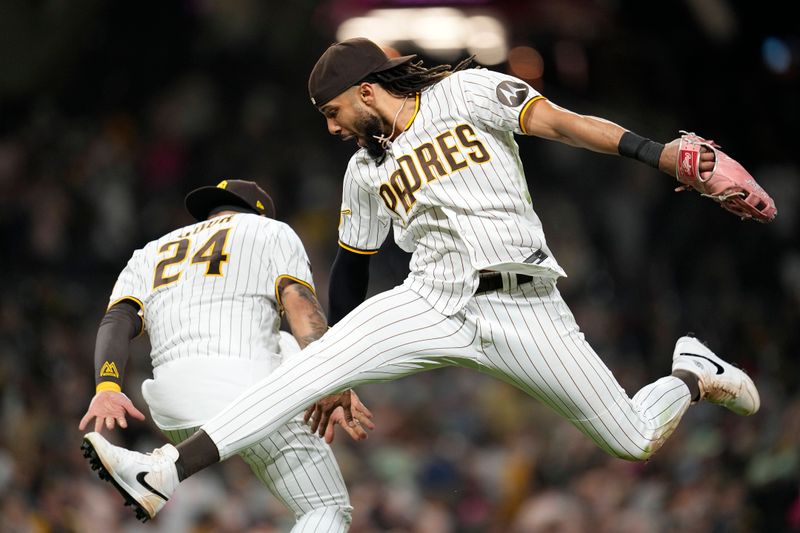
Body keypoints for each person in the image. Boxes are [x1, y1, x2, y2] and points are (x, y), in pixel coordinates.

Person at [82, 38, 762, 522]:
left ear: (366, 90)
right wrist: (336, 366)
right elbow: (351, 271)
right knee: (299, 373)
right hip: (433, 298)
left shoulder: (465, 90)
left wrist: (658, 154)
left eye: (333, 112)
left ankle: (693, 375)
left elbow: (562, 122)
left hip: (528, 306)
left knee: (632, 439)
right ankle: (163, 470)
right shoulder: (364, 169)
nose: (331, 128)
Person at [79, 179, 375, 529]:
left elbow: (118, 319)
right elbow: (298, 303)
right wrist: (330, 378)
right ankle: (160, 471)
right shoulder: (270, 231)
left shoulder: (150, 251)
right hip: (245, 391)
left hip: (171, 410)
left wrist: (107, 386)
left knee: (282, 344)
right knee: (327, 508)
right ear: (259, 213)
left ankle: (162, 467)